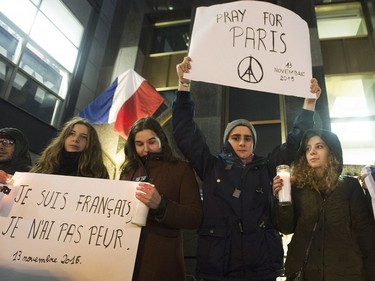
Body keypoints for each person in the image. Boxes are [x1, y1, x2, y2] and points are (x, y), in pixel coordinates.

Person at [172, 56, 321, 281]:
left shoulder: (267, 167)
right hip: (219, 266)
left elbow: (295, 143)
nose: (242, 142)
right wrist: (184, 86)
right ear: (227, 140)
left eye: (247, 138)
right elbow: (184, 132)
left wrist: (309, 105)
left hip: (261, 266)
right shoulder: (211, 165)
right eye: (236, 137)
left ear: (253, 143)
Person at [273, 129, 375, 281]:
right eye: (308, 148)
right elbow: (286, 228)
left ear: (332, 152)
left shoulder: (349, 186)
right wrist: (282, 198)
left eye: (319, 146)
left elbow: (365, 234)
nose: (312, 152)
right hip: (304, 272)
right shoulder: (299, 187)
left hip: (343, 273)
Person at [120, 117, 203, 281]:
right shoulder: (128, 172)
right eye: (140, 144)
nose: (146, 149)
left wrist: (161, 205)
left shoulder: (181, 169)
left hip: (163, 260)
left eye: (152, 142)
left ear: (161, 140)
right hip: (127, 259)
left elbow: (195, 217)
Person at [30, 117, 108, 178]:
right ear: (64, 137)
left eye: (83, 137)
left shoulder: (97, 171)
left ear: (91, 143)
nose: (76, 139)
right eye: (71, 134)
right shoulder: (46, 164)